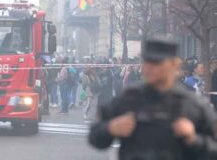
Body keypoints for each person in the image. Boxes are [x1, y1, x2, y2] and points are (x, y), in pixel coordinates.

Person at [89, 37, 217, 160]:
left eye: (157, 62)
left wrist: (193, 139)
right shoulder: (128, 98)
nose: (149, 67)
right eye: (146, 61)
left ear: (174, 64)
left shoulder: (193, 105)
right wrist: (110, 128)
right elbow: (94, 137)